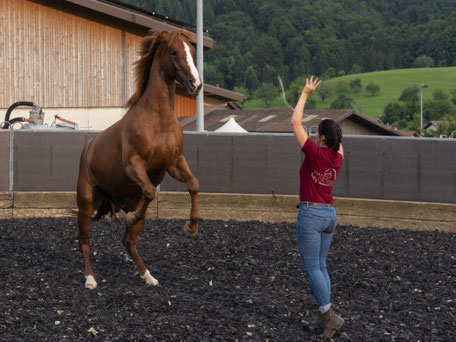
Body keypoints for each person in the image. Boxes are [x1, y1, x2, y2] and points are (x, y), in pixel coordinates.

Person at [291, 76, 345, 339]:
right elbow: (338, 142)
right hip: (329, 215)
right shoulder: (338, 158)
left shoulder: (315, 153)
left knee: (312, 267)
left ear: (322, 138)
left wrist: (305, 93)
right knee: (321, 266)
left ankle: (329, 315)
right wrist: (330, 128)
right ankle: (325, 314)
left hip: (311, 214)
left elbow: (295, 123)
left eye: (317, 134)